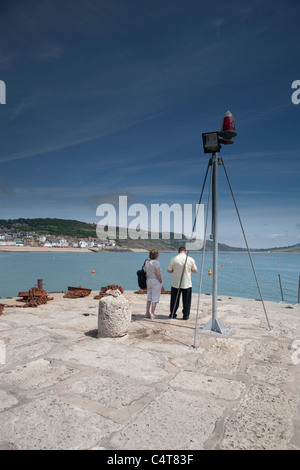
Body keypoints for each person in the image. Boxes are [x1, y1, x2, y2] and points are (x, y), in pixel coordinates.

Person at [167, 246, 198, 320]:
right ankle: (186, 315)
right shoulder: (190, 259)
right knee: (186, 301)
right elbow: (195, 270)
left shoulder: (174, 259)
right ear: (185, 251)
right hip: (186, 283)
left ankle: (173, 314)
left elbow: (169, 270)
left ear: (178, 251)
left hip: (176, 283)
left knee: (174, 300)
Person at [144, 249, 162, 319]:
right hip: (155, 281)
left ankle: (147, 312)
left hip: (148, 280)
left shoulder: (146, 262)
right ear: (157, 255)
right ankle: (152, 314)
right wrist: (160, 281)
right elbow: (158, 274)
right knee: (155, 298)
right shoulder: (156, 262)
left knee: (149, 297)